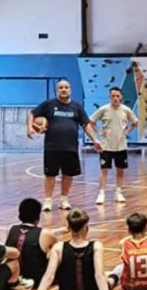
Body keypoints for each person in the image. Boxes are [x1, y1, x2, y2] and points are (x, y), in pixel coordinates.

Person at [11, 209, 133, 290]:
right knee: (108, 278)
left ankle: (114, 274)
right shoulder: (96, 246)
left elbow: (48, 276)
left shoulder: (58, 248)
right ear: (86, 227)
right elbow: (99, 275)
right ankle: (116, 274)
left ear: (68, 228)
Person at [28, 79, 104, 212]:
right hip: (52, 146)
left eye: (66, 87)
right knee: (50, 175)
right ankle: (48, 200)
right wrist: (30, 128)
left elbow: (86, 124)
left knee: (68, 174)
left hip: (70, 146)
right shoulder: (49, 104)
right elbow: (32, 113)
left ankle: (64, 199)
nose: (63, 90)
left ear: (70, 89)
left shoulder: (77, 106)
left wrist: (95, 139)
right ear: (58, 90)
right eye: (61, 88)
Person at [90, 87, 139, 205]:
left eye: (117, 96)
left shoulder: (126, 110)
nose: (115, 98)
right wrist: (99, 132)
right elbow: (91, 121)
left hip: (121, 146)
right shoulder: (103, 109)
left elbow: (135, 122)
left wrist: (127, 131)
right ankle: (101, 193)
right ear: (109, 97)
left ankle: (118, 192)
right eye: (113, 96)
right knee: (104, 170)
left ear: (121, 97)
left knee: (120, 170)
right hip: (105, 146)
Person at [5, 198, 67, 282]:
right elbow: (59, 252)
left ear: (20, 215)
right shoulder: (45, 234)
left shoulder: (10, 229)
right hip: (37, 278)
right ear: (38, 217)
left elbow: (26, 235)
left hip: (13, 276)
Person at [110, 213, 147, 290]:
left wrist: (132, 235)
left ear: (129, 230)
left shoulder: (123, 243)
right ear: (145, 229)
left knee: (119, 267)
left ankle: (110, 280)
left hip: (129, 286)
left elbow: (125, 240)